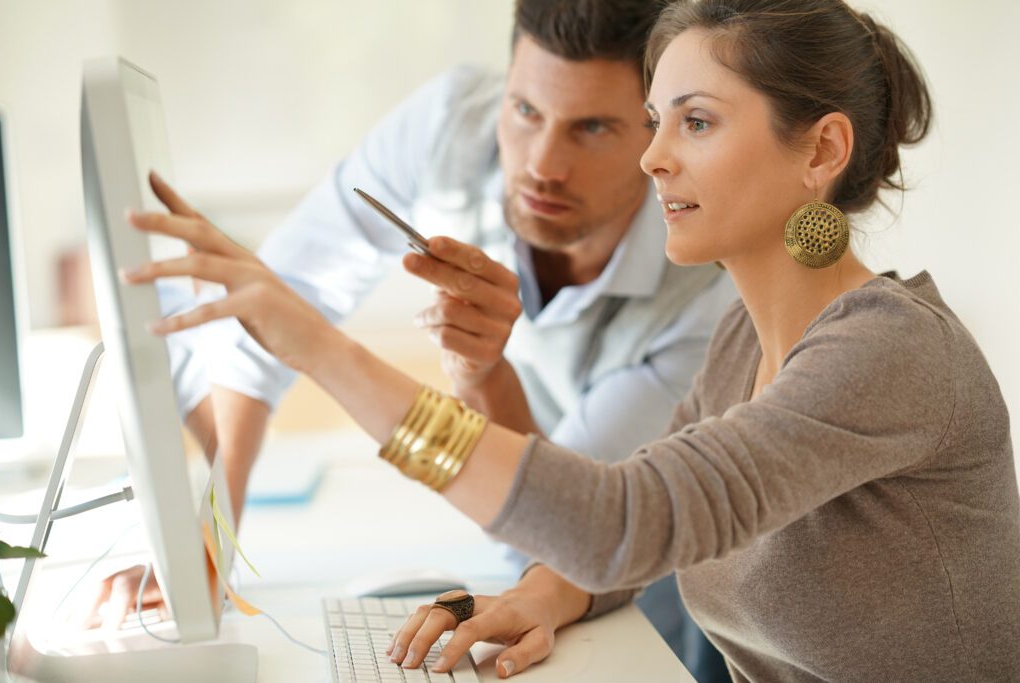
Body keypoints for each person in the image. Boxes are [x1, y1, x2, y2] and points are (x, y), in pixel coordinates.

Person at [123, 0, 1020, 679]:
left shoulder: (889, 355)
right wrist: (536, 597)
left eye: (695, 121)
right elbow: (638, 538)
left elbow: (620, 521)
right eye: (658, 118)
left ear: (821, 150)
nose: (651, 156)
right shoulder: (747, 336)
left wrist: (317, 346)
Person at [92, 1, 735, 678]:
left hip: (633, 620)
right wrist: (211, 532)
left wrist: (478, 374)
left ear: (660, 130)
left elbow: (571, 530)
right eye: (525, 111)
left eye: (593, 127)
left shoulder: (706, 296)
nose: (543, 162)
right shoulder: (453, 119)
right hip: (532, 543)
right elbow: (269, 308)